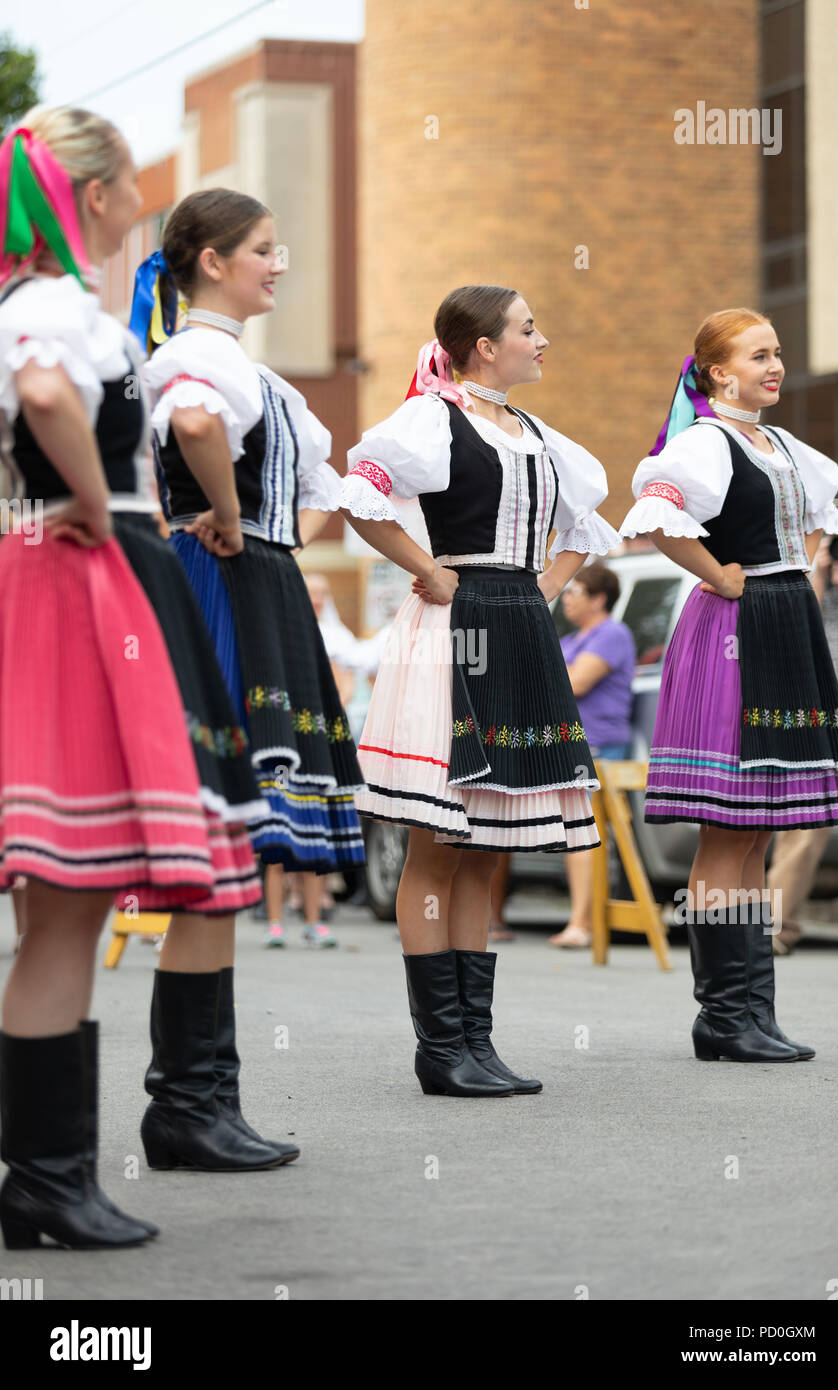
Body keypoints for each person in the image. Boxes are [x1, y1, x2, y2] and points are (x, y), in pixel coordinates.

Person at [0, 108, 279, 1252]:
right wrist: (81, 499)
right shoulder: (54, 306)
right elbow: (54, 398)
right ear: (102, 196)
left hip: (39, 577)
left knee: (53, 910)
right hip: (90, 578)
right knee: (64, 908)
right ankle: (46, 1184)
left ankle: (48, 1177)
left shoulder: (21, 301)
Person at [339, 285, 620, 1097]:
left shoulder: (539, 436)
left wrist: (540, 588)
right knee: (438, 841)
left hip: (516, 626)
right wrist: (428, 570)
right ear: (484, 346)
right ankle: (440, 1050)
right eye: (530, 328)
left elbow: (583, 529)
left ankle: (476, 1042)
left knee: (483, 847)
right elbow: (361, 492)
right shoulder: (434, 420)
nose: (545, 339)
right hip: (454, 632)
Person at [619, 307, 838, 1063]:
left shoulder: (780, 444)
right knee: (729, 820)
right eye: (759, 356)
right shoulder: (705, 443)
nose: (774, 366)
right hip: (732, 630)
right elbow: (658, 516)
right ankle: (724, 1016)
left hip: (782, 619)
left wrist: (803, 568)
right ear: (718, 372)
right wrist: (720, 573)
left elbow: (820, 514)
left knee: (758, 824)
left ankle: (751, 1011)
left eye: (778, 353)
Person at [133, 196, 367, 946]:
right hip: (221, 573)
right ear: (213, 262)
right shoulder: (194, 356)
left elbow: (318, 495)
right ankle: (194, 1063)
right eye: (265, 251)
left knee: (232, 838)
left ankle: (200, 1061)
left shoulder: (251, 373)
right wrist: (235, 522)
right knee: (221, 821)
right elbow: (197, 425)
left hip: (262, 578)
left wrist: (263, 532)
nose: (277, 266)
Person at [767, 534, 838, 956]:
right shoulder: (812, 588)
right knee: (801, 830)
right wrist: (820, 573)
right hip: (817, 723)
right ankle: (773, 930)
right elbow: (794, 630)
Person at [549, 562, 636, 948]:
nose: (566, 597)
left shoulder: (612, 634)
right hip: (570, 744)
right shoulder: (570, 641)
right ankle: (582, 920)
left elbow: (575, 683)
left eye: (575, 590)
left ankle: (582, 924)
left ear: (599, 599)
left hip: (599, 746)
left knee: (583, 834)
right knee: (574, 833)